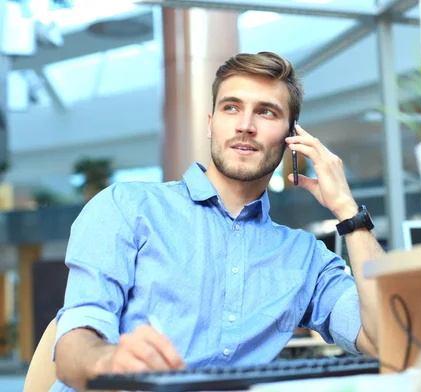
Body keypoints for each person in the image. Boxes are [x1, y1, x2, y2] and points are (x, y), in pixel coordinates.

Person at [51, 52, 385, 392]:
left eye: (266, 111)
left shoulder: (306, 259)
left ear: (292, 138)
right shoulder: (127, 207)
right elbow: (73, 346)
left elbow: (386, 342)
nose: (245, 125)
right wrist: (110, 363)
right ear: (211, 123)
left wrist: (347, 210)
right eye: (231, 107)